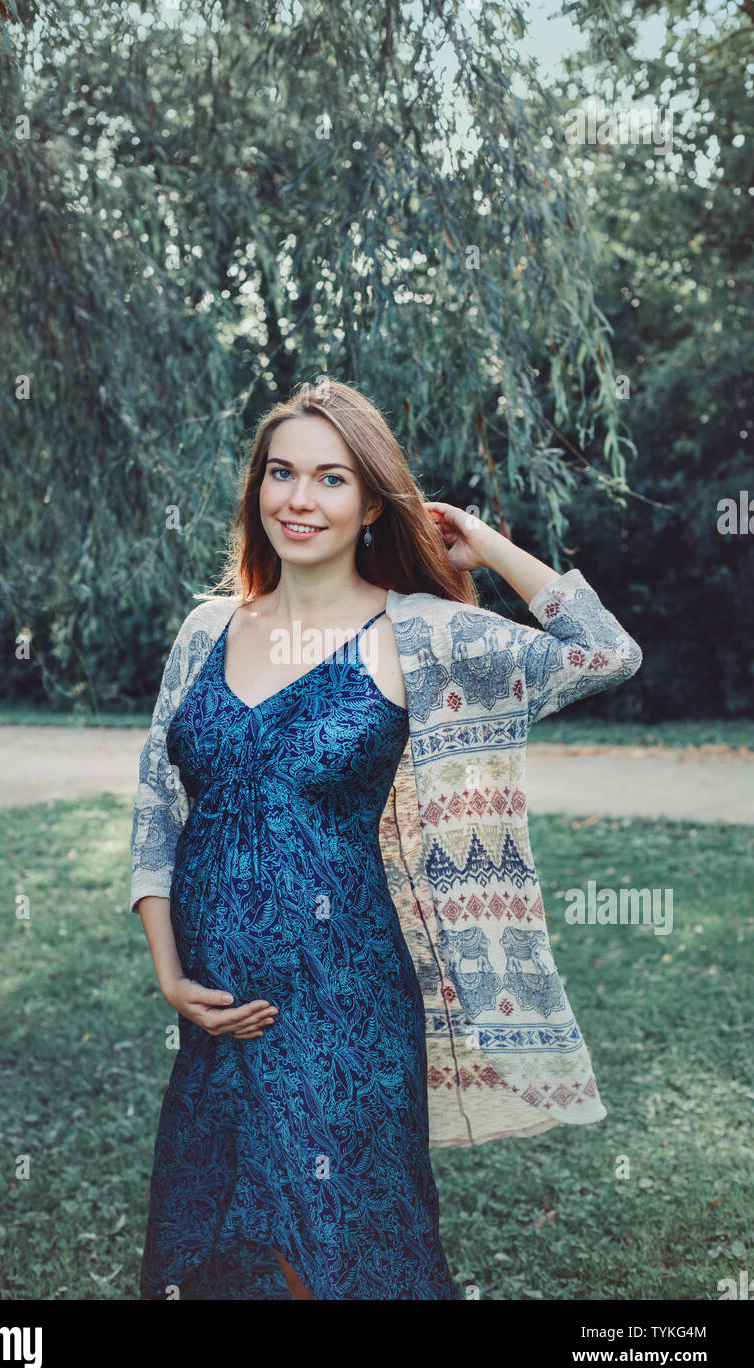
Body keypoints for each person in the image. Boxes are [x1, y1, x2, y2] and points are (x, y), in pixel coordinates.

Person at [129, 379, 642, 1300]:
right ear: (257, 490)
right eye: (281, 473)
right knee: (208, 1260)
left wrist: (482, 544)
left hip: (348, 1009)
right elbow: (157, 812)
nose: (299, 499)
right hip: (217, 1017)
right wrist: (169, 974)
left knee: (345, 1255)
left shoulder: (419, 636)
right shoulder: (206, 631)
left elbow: (604, 654)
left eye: (331, 479)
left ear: (371, 502)